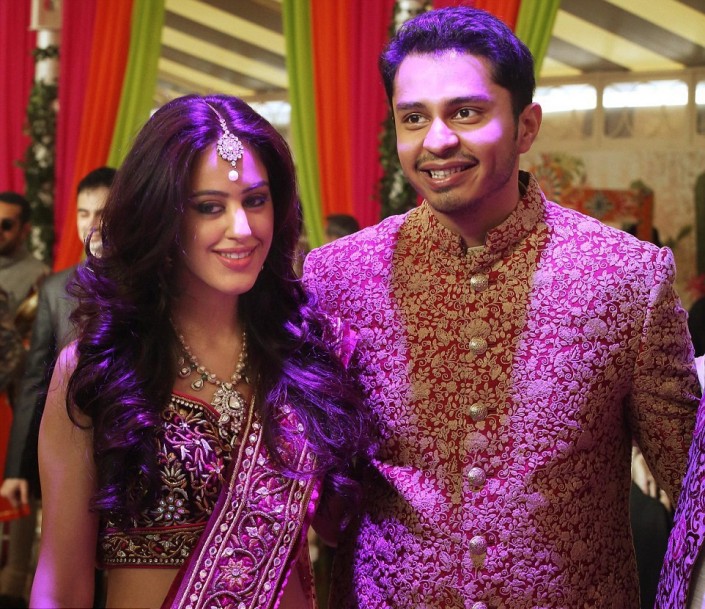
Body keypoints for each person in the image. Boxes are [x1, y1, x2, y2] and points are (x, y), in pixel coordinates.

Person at [302, 7, 700, 608]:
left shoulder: (624, 277)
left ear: (526, 126)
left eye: (466, 112)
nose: (437, 140)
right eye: (414, 117)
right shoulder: (339, 277)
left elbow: (694, 492)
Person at [30, 94, 367, 609]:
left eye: (256, 200)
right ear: (160, 214)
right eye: (210, 207)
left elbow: (349, 532)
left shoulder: (308, 356)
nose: (242, 228)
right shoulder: (101, 368)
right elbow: (61, 582)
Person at [0, 167, 115, 606]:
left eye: (103, 213)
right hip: (70, 448)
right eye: (84, 213)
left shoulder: (149, 285)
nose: (93, 224)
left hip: (127, 450)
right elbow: (34, 382)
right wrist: (16, 470)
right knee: (68, 565)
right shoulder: (54, 289)